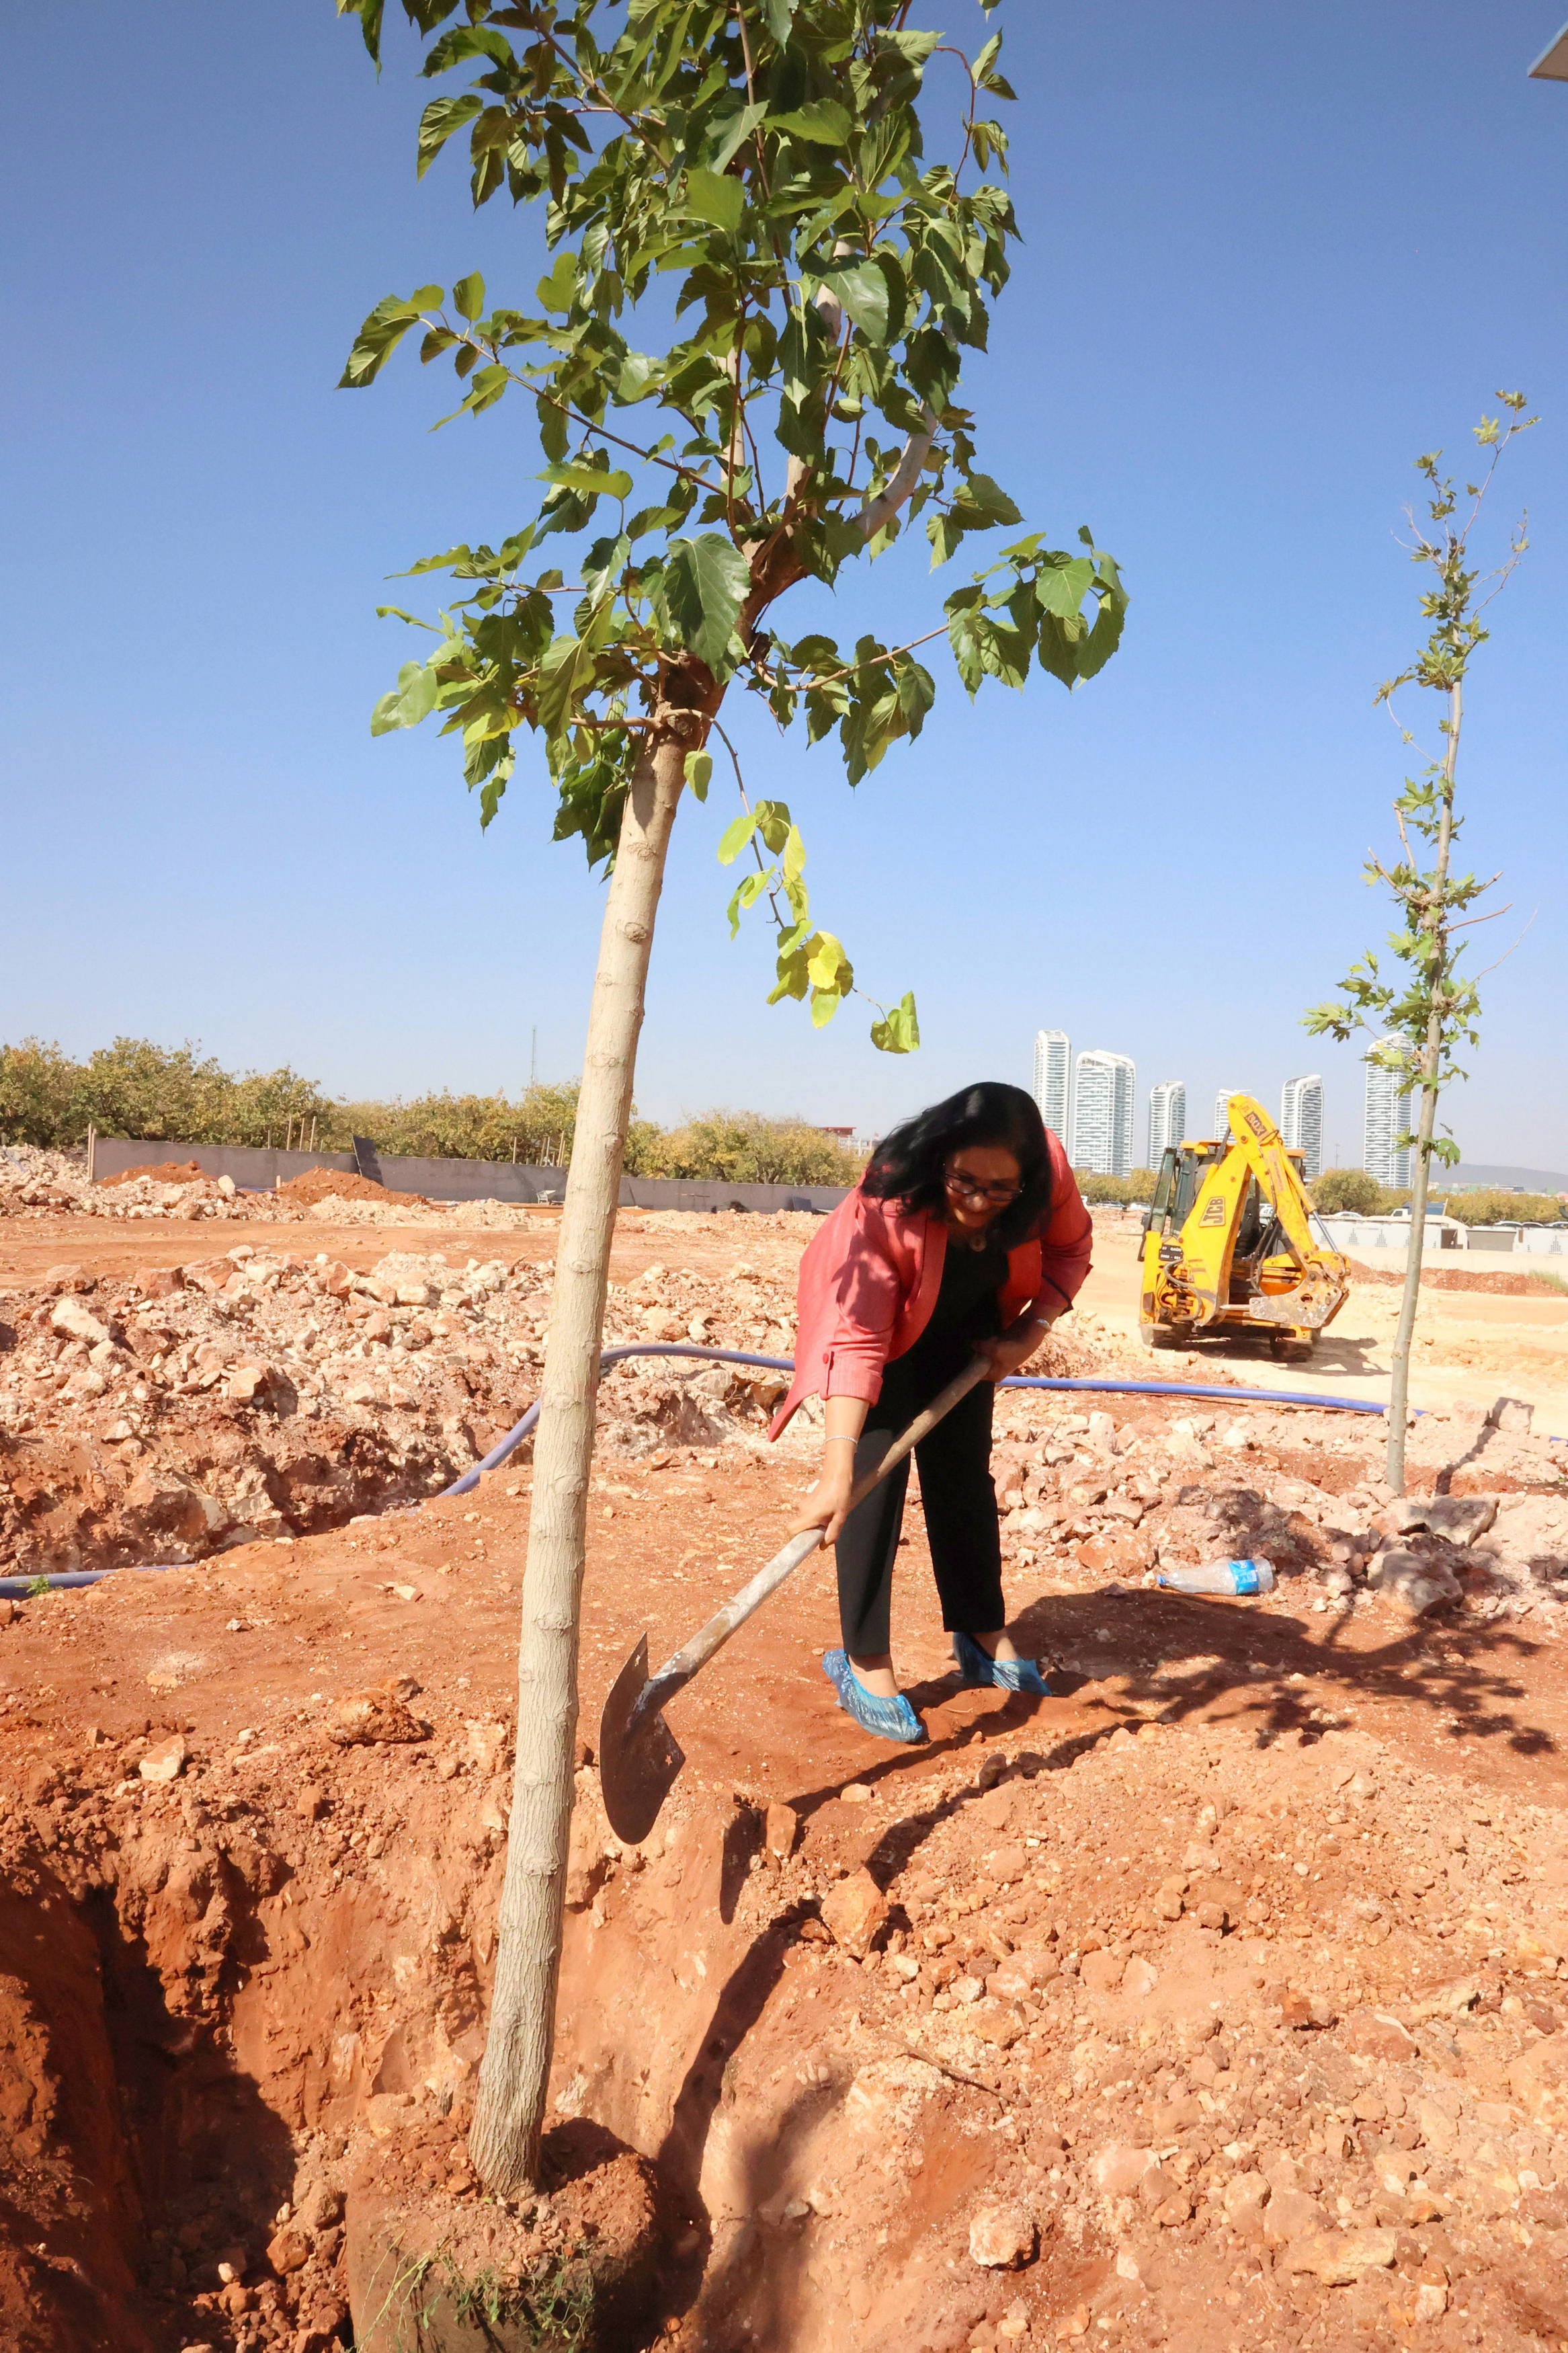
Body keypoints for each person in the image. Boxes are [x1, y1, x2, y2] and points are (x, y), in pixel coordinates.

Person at [769, 1082, 1094, 1743]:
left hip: (968, 1322)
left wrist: (1028, 1332)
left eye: (998, 1190)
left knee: (962, 1475)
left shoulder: (1048, 1172)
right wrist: (834, 1472)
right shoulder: (890, 1195)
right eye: (963, 1181)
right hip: (881, 1321)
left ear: (1027, 1178)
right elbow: (857, 1339)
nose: (975, 1201)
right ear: (941, 1158)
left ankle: (979, 1631)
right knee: (870, 1480)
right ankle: (865, 1660)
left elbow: (1069, 1251)